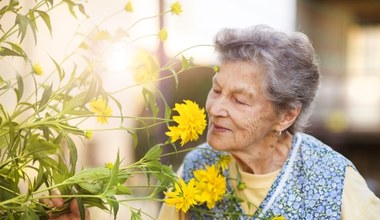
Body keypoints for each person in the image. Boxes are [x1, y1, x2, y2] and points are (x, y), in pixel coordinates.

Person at [157, 24, 380, 219]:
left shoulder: (335, 180)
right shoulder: (196, 166)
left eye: (240, 100)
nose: (215, 109)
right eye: (216, 90)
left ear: (286, 116)